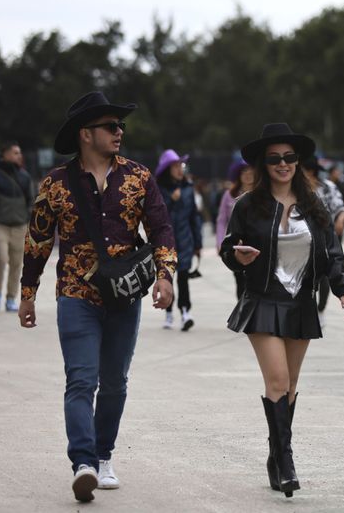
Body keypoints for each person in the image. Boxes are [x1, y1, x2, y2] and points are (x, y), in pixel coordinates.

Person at [18, 91, 176, 502]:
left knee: (115, 384)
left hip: (125, 297)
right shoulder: (55, 183)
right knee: (81, 380)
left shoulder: (139, 177)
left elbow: (160, 228)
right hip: (75, 294)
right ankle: (83, 462)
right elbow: (36, 241)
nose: (119, 132)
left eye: (120, 126)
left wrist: (166, 275)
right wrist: (27, 293)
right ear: (86, 134)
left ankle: (104, 456)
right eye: (111, 126)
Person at [219, 123, 344, 498]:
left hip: (300, 303)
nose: (283, 164)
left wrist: (343, 288)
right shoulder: (248, 204)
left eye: (289, 157)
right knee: (277, 381)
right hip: (262, 299)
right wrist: (237, 255)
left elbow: (331, 252)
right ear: (264, 163)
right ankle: (288, 461)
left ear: (298, 161)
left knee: (291, 386)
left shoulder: (315, 205)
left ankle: (275, 455)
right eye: (275, 158)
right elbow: (228, 248)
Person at [0, 141, 33, 312]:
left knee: (17, 264)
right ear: (5, 154)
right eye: (16, 153)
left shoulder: (25, 177)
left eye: (20, 152)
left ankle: (10, 298)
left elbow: (31, 202)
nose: (19, 156)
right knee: (1, 260)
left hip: (20, 227)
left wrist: (30, 224)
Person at [155, 149, 203, 330]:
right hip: (165, 243)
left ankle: (185, 312)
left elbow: (194, 218)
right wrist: (171, 200)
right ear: (167, 169)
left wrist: (197, 243)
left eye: (181, 166)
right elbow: (156, 216)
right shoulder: (158, 190)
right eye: (175, 166)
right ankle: (168, 313)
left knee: (183, 277)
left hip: (185, 241)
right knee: (167, 277)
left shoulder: (188, 189)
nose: (179, 169)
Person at [302, 156, 344, 326]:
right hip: (305, 239)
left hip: (327, 236)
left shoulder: (328, 187)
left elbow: (340, 207)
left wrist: (341, 220)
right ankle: (309, 308)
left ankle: (320, 309)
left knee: (325, 276)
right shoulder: (294, 189)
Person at [216, 158, 255, 299]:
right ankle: (242, 310)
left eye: (251, 170)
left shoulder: (262, 194)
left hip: (256, 244)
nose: (248, 174)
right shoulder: (230, 195)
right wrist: (220, 242)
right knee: (240, 281)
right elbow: (221, 220)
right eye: (244, 171)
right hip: (235, 244)